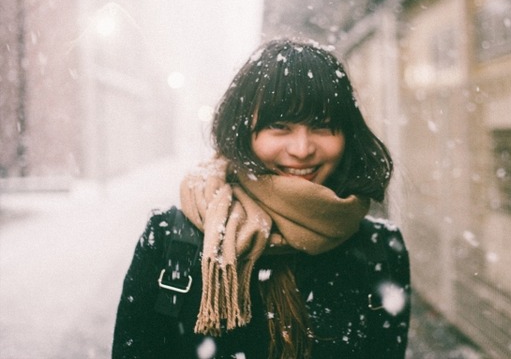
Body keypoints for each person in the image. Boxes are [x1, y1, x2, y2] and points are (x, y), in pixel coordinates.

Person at [112, 38, 410, 359]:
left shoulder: (380, 249)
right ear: (242, 133)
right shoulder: (171, 241)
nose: (301, 149)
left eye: (323, 126)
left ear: (347, 134)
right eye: (279, 126)